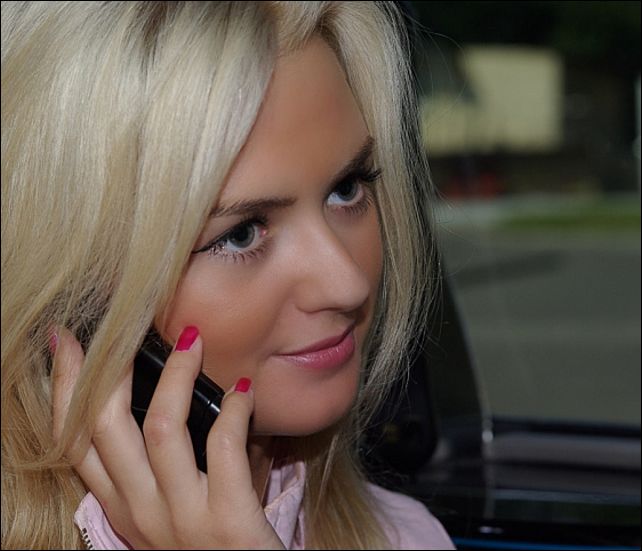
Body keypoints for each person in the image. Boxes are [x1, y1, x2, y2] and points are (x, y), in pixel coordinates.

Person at [1, 2, 454, 549]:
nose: (348, 283)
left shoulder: (405, 537)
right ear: (78, 300)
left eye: (347, 188)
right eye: (241, 234)